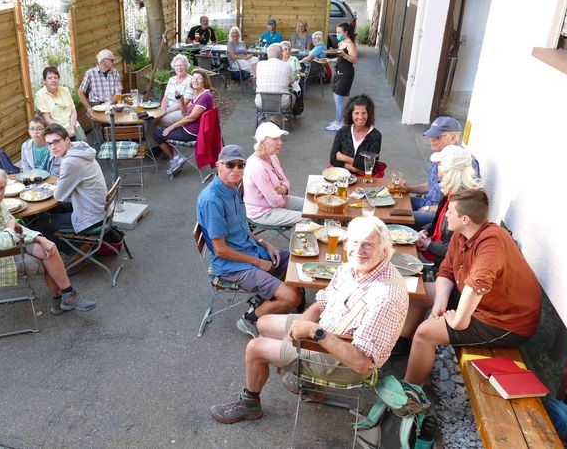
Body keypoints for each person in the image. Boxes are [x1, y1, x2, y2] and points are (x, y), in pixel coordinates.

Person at [210, 216, 408, 424]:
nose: (358, 250)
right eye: (355, 242)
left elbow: (360, 364)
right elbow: (320, 304)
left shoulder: (386, 296)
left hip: (342, 363)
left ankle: (250, 404)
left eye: (368, 244)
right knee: (263, 323)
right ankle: (307, 383)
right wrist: (291, 339)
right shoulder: (353, 268)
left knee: (255, 348)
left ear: (384, 250)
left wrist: (314, 332)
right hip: (330, 330)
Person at [404, 189, 542, 386]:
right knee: (414, 293)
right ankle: (406, 347)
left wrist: (458, 321)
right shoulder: (461, 234)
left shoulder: (491, 243)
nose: (446, 214)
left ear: (465, 219)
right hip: (476, 300)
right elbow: (447, 271)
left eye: (450, 211)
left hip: (503, 321)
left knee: (425, 333)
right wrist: (440, 303)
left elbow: (477, 287)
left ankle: (410, 392)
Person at [197, 145, 303, 339]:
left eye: (240, 165)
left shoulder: (231, 188)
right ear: (218, 165)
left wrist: (264, 242)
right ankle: (249, 319)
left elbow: (241, 227)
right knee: (293, 297)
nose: (236, 169)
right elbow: (220, 250)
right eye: (230, 165)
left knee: (298, 263)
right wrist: (258, 262)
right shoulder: (212, 200)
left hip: (250, 250)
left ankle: (266, 298)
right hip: (232, 266)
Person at [0, 165, 95, 314]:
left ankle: (67, 296)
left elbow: (18, 228)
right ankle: (61, 301)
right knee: (48, 261)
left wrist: (40, 238)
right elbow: (3, 242)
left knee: (49, 248)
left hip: (8, 247)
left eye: (2, 188)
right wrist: (11, 226)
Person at [395, 145, 483, 352]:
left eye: (440, 165)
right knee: (407, 281)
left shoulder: (463, 203)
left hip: (444, 267)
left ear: (451, 170)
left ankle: (404, 340)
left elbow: (456, 252)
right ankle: (404, 339)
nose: (437, 168)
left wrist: (429, 245)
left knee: (407, 287)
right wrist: (426, 231)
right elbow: (438, 222)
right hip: (440, 261)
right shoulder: (453, 193)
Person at [29, 124, 107, 253]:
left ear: (67, 140)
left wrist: (59, 184)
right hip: (98, 209)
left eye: (56, 141)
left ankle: (77, 251)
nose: (53, 147)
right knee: (52, 210)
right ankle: (76, 246)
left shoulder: (71, 161)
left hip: (92, 218)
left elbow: (59, 196)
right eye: (49, 144)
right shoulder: (80, 149)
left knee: (40, 225)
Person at [399, 116, 480, 229]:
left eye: (437, 136)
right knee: (396, 203)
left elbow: (460, 205)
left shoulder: (462, 162)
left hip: (443, 215)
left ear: (453, 137)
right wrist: (410, 189)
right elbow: (433, 184)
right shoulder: (439, 155)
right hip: (428, 203)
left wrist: (428, 209)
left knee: (397, 218)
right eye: (431, 135)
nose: (432, 139)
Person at [154, 69, 215, 176]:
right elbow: (185, 113)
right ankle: (177, 158)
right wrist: (181, 99)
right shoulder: (197, 95)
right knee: (162, 130)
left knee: (157, 134)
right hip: (191, 129)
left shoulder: (205, 96)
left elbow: (191, 118)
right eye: (194, 78)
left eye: (199, 78)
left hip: (192, 133)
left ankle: (175, 159)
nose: (195, 80)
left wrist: (172, 127)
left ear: (205, 81)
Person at [244, 122, 304, 226]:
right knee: (307, 219)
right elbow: (275, 202)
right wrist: (281, 193)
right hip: (263, 212)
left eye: (280, 138)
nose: (280, 142)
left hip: (280, 200)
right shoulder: (257, 168)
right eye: (275, 139)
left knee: (312, 207)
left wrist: (283, 189)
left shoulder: (272, 156)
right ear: (261, 142)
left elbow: (285, 181)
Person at [329, 94, 381, 175]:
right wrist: (356, 169)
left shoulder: (375, 135)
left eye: (364, 113)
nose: (360, 117)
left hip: (365, 178)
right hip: (342, 175)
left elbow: (371, 165)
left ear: (369, 114)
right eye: (356, 113)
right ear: (351, 115)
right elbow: (333, 159)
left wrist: (344, 158)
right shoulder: (342, 132)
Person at [34, 66, 86, 142]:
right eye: (50, 78)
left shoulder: (65, 90)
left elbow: (73, 111)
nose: (53, 80)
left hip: (72, 124)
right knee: (63, 146)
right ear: (44, 81)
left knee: (82, 141)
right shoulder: (40, 95)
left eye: (56, 77)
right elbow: (47, 119)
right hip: (55, 128)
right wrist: (63, 130)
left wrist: (72, 126)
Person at [324, 23, 358, 132]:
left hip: (346, 73)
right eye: (337, 32)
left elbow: (354, 59)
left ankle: (339, 123)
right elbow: (340, 59)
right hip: (338, 71)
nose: (337, 34)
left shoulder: (350, 44)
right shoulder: (341, 43)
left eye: (339, 32)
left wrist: (344, 55)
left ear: (346, 33)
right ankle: (339, 120)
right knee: (335, 96)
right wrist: (329, 60)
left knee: (339, 98)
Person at [254, 43, 295, 111]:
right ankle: (278, 115)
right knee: (293, 97)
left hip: (261, 102)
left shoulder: (259, 64)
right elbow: (292, 82)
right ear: (280, 55)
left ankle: (271, 115)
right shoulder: (287, 66)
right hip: (282, 103)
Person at [158, 54, 194, 127]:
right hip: (168, 109)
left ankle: (165, 133)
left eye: (181, 65)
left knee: (163, 120)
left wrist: (167, 112)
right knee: (152, 117)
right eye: (177, 65)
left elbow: (185, 102)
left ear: (186, 66)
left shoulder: (190, 81)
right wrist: (162, 110)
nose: (179, 68)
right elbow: (165, 98)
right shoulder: (172, 79)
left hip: (182, 111)